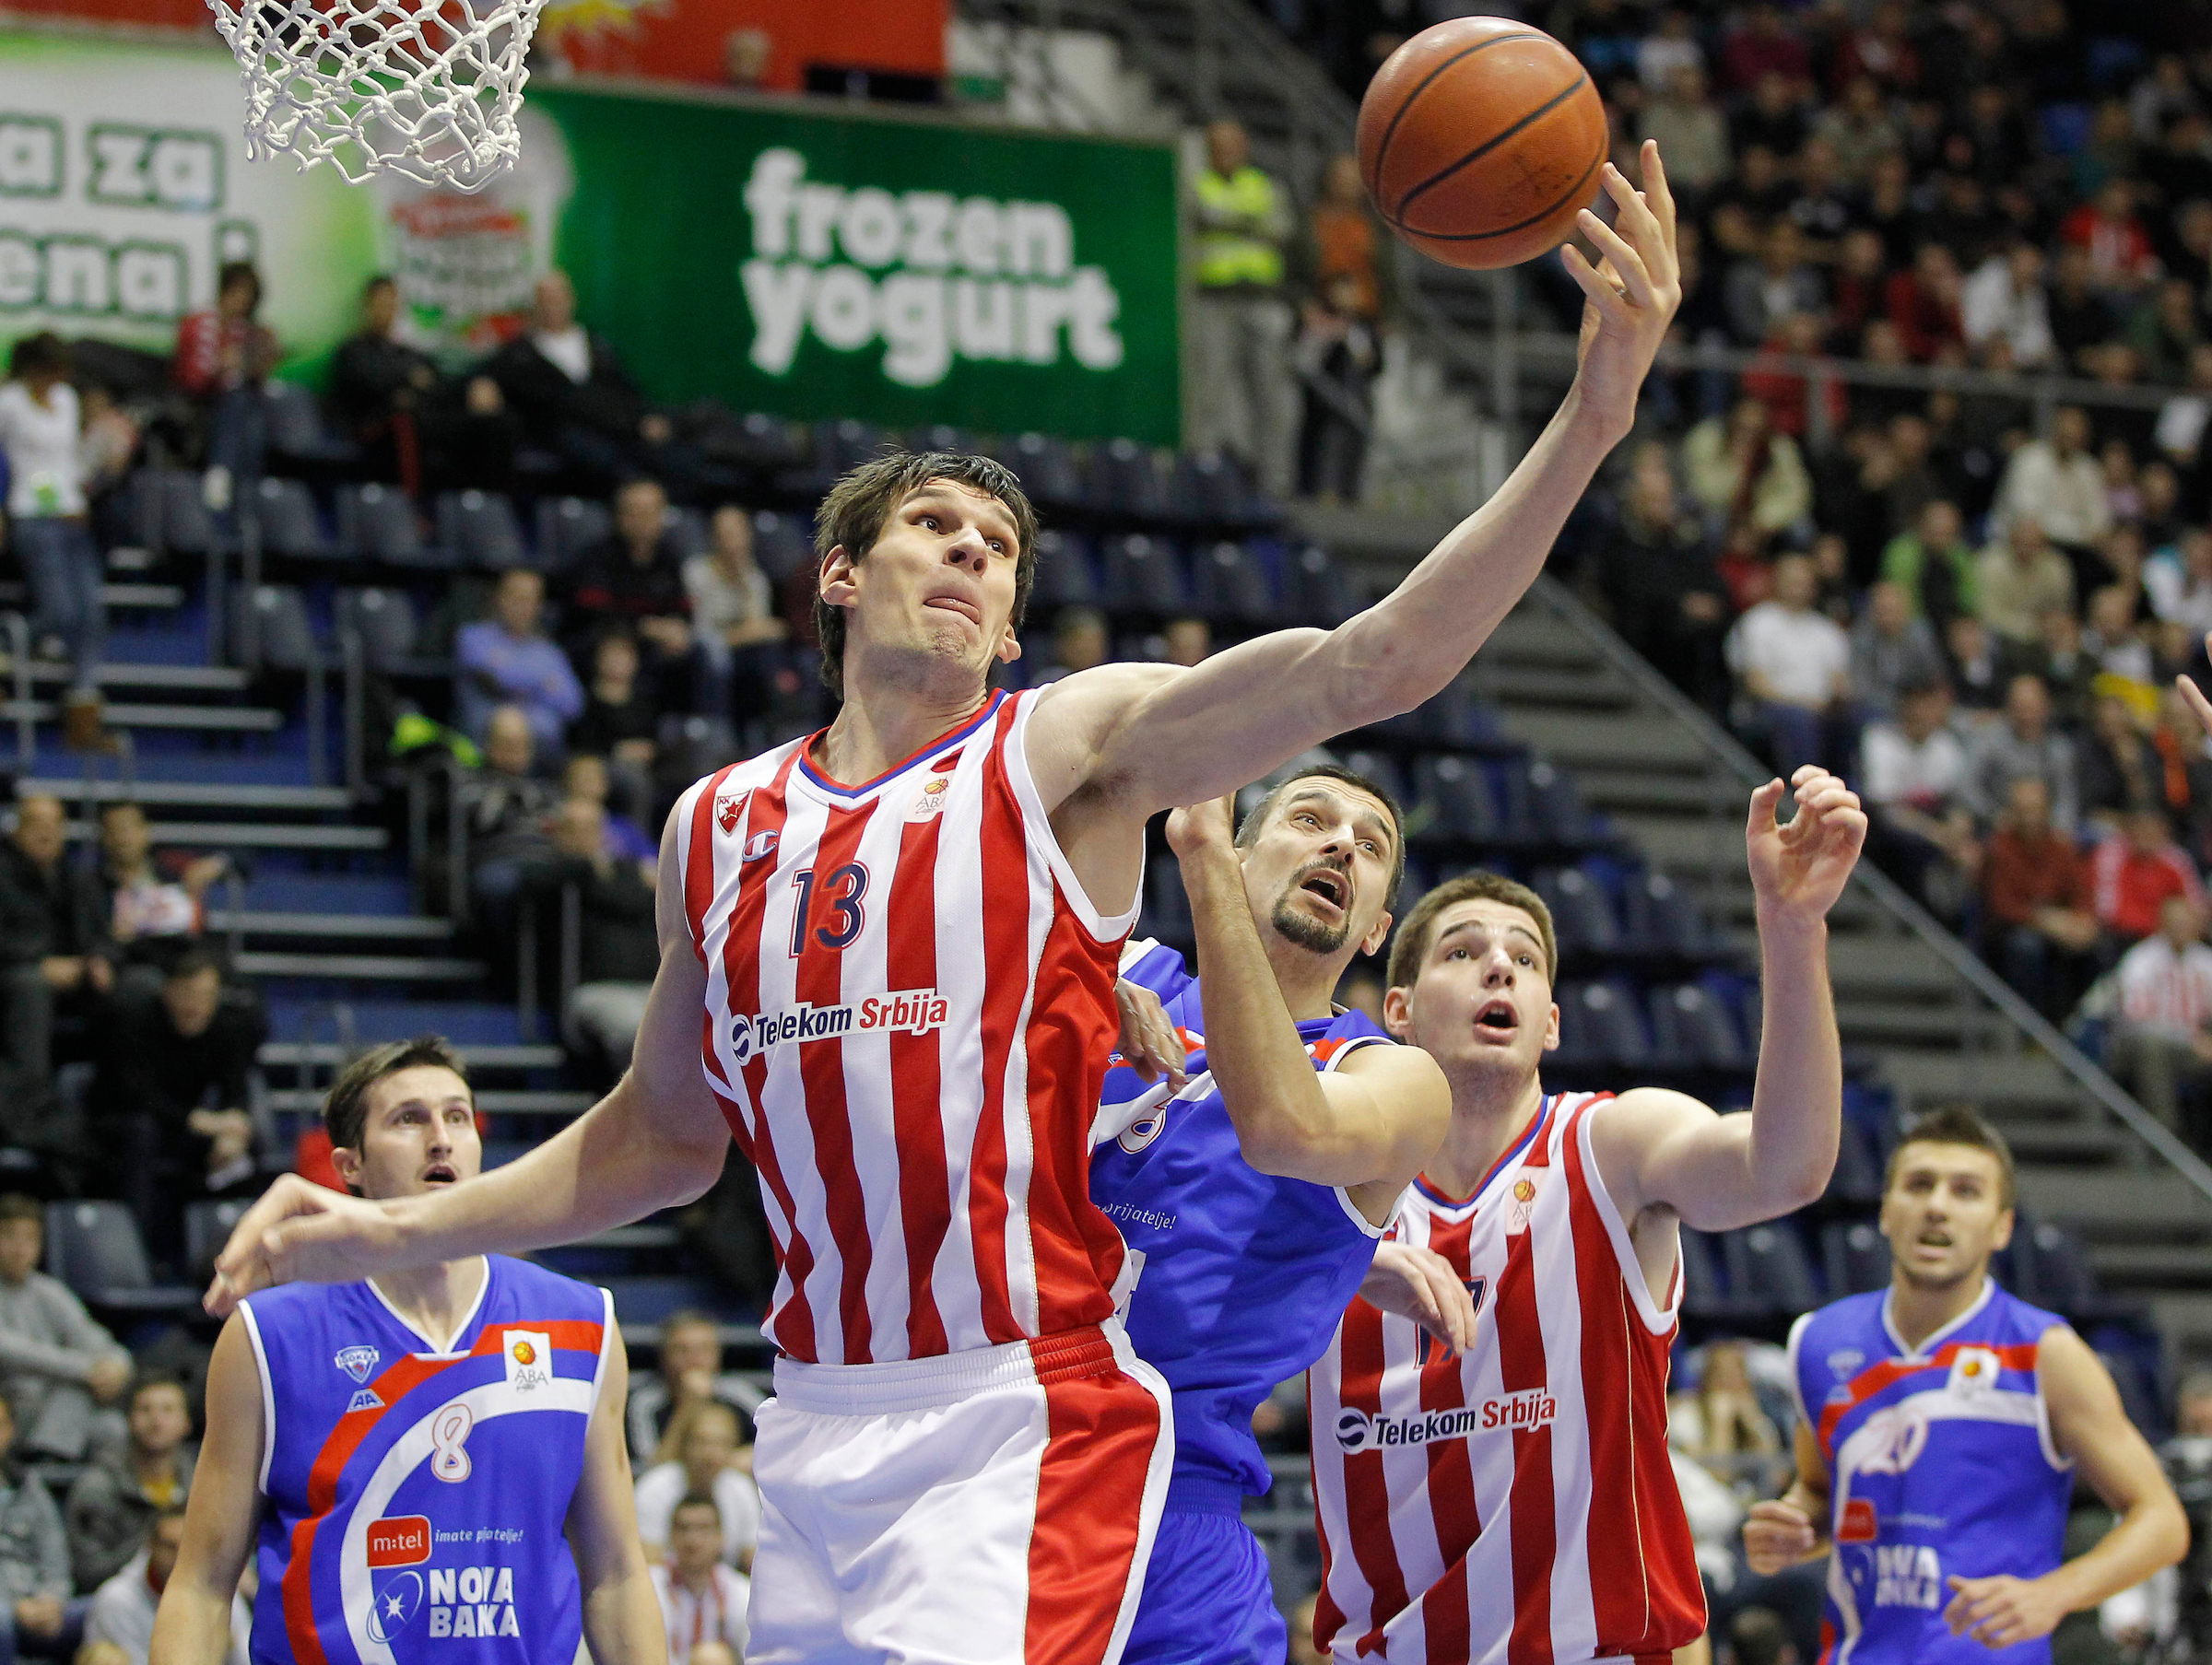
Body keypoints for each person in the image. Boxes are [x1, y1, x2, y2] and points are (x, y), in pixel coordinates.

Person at [208, 144, 1686, 1665]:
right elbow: (652, 1143)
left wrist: (1590, 419)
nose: (973, 553)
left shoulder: (1061, 754)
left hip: (1021, 1410)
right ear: (841, 574)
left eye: (1000, 551)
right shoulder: (717, 827)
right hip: (821, 1412)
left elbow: (1370, 663)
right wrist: (386, 1226)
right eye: (936, 529)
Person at [1307, 765, 1862, 1661]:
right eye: (1463, 951)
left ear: (1551, 1022)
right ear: (1397, 1010)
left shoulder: (1609, 1146)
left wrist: (1794, 931)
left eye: (1524, 959)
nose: (1500, 965)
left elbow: (1788, 1167)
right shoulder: (1331, 1178)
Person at [1090, 768, 1451, 1665]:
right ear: (1249, 855)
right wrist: (1073, 993)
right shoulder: (1120, 971)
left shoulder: (1391, 1076)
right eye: (1312, 819)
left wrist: (1202, 850)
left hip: (1177, 1507)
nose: (1341, 845)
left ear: (1373, 930)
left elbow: (1287, 1129)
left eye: (1371, 847)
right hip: (996, 1451)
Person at [149, 1038, 661, 1665]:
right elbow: (201, 1585)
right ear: (350, 1166)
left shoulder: (583, 1325)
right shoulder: (269, 1334)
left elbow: (617, 1575)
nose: (441, 1138)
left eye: (456, 1116)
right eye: (408, 1119)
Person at [1742, 1108, 2186, 1660]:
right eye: (1919, 1185)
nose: (1937, 1206)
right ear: (1885, 1212)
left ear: (2001, 1227)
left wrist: (2056, 1593)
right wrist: (1793, 1529)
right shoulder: (1819, 1340)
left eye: (1966, 1191)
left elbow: (2163, 1519)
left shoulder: (2045, 1353)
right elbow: (1819, 1490)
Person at [88, 949, 265, 1266]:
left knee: (250, 1147)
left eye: (206, 996)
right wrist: (198, 1120)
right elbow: (133, 1094)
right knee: (141, 1134)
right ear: (168, 991)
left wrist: (235, 1130)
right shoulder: (136, 1020)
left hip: (182, 1127)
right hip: (118, 1122)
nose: (195, 1006)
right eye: (188, 994)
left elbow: (235, 1090)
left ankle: (231, 1255)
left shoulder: (227, 1027)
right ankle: (138, 1256)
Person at [481, 271, 677, 495]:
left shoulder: (598, 344)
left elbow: (626, 386)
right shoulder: (519, 354)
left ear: (571, 299)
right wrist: (482, 385)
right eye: (545, 299)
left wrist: (646, 416)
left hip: (619, 427)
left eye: (558, 297)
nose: (552, 305)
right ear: (534, 305)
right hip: (567, 436)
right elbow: (484, 377)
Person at [0, 334, 104, 731]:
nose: (61, 379)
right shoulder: (9, 402)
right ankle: (6, 650)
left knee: (91, 612)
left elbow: (69, 457)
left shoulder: (66, 400)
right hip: (31, 512)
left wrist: (90, 474)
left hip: (70, 513)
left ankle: (83, 701)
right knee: (58, 611)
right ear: (34, 370)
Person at [1187, 119, 1294, 498]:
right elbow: (1196, 222)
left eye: (1231, 145)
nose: (1225, 153)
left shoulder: (1264, 186)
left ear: (1245, 147)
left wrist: (1224, 222)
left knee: (1271, 392)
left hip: (1262, 300)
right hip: (1214, 299)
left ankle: (1275, 483)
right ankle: (1208, 476)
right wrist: (1248, 224)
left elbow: (1282, 230)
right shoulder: (1196, 185)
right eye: (1217, 145)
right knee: (1210, 388)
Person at [527, 797, 657, 1077]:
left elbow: (642, 890)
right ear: (558, 832)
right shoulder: (549, 874)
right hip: (594, 992)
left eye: (592, 828)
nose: (585, 836)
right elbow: (532, 884)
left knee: (697, 1031)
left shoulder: (626, 870)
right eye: (574, 828)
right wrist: (588, 868)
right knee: (637, 1032)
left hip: (648, 987)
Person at [0, 1197, 129, 1464]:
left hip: (54, 1408)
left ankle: (51, 1457)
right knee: (76, 1389)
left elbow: (97, 1341)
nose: (19, 1248)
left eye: (30, 1239)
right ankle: (46, 1462)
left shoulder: (50, 1292)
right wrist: (88, 1371)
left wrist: (118, 1364)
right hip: (10, 1407)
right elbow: (15, 1351)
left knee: (113, 1427)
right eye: (10, 1236)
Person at [0, 793, 113, 1093]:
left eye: (54, 824)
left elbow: (102, 935)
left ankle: (122, 1098)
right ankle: (30, 1101)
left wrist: (98, 959)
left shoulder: (78, 877)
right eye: (36, 823)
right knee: (30, 986)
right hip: (15, 976)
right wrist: (38, 961)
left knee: (136, 988)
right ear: (17, 830)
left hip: (76, 976)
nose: (46, 833)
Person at [564, 478, 696, 709]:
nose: (646, 520)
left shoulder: (669, 558)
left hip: (655, 646)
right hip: (602, 640)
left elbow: (682, 608)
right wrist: (645, 626)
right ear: (621, 516)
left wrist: (678, 630)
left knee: (697, 653)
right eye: (638, 512)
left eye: (653, 512)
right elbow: (592, 613)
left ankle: (692, 727)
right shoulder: (597, 557)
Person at [1981, 776, 2099, 1022]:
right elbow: (2002, 906)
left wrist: (2083, 921)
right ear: (2012, 813)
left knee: (2096, 946)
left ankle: (2075, 1023)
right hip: (2013, 929)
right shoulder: (1999, 848)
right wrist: (2045, 921)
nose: (2030, 818)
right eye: (2023, 811)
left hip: (2057, 922)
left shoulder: (2060, 847)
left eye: (2036, 810)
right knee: (2027, 947)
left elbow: (2082, 894)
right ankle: (2029, 1024)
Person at [1724, 552, 1853, 774]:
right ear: (1776, 582)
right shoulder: (1757, 622)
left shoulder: (1827, 630)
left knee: (1862, 718)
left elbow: (1838, 683)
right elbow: (1756, 685)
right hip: (1766, 710)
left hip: (1821, 710)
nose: (1799, 588)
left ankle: (1855, 796)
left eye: (1805, 583)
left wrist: (1838, 698)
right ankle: (1803, 795)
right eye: (1793, 582)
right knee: (1797, 719)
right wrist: (1806, 704)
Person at [1860, 677, 1977, 916]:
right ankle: (1913, 915)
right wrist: (1938, 836)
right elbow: (1886, 809)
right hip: (1891, 827)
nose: (1935, 712)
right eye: (1927, 705)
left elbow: (1957, 802)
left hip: (1935, 822)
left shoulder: (1946, 745)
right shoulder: (1880, 739)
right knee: (1909, 843)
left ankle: (1955, 926)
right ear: (1909, 707)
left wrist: (1959, 831)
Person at [65, 1378, 193, 1596]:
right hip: (112, 1597)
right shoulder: (97, 1487)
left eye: (168, 1410)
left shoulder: (201, 1484)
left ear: (186, 1422)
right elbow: (88, 1574)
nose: (156, 1420)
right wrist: (153, 1544)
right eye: (145, 1409)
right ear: (129, 1419)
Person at [171, 262, 278, 510]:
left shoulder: (248, 332)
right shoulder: (199, 324)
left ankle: (248, 494)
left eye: (249, 297)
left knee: (255, 413)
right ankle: (219, 472)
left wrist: (262, 363)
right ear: (225, 291)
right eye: (238, 293)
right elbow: (189, 382)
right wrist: (218, 368)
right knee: (238, 402)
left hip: (239, 410)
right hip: (199, 407)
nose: (243, 302)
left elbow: (253, 377)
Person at [2105, 896, 2212, 1138]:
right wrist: (2192, 1040)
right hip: (2138, 1044)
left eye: (2187, 923)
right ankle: (2164, 1136)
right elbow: (2136, 1020)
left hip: (2197, 1046)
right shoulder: (2141, 959)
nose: (2181, 929)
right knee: (2151, 1047)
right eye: (2175, 923)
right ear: (2161, 924)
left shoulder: (2206, 961)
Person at [84, 1509, 241, 1665]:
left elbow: (246, 1659)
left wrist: (226, 1650)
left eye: (188, 1546)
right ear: (151, 1546)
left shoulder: (222, 1592)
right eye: (170, 1547)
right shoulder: (116, 1600)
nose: (180, 1557)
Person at [90, 803, 223, 986]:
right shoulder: (92, 885)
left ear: (146, 831)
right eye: (115, 830)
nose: (123, 838)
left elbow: (241, 860)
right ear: (103, 837)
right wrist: (114, 940)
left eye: (129, 828)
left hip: (183, 958)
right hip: (130, 968)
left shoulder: (172, 869)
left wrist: (215, 865)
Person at [455, 569, 585, 752]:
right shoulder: (473, 637)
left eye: (529, 599)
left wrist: (512, 676)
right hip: (481, 744)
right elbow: (497, 679)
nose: (521, 606)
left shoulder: (550, 652)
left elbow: (573, 705)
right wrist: (544, 682)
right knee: (509, 724)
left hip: (538, 753)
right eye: (514, 597)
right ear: (499, 598)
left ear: (539, 605)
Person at [684, 505, 788, 726]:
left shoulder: (754, 577)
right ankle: (716, 729)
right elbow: (701, 628)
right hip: (704, 646)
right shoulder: (696, 572)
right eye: (724, 534)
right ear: (713, 538)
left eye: (737, 534)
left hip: (741, 648)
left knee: (769, 653)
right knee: (715, 653)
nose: (732, 542)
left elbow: (758, 624)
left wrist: (742, 585)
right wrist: (748, 632)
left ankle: (764, 729)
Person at [0, 1388, 81, 1665]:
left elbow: (55, 1558)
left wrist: (52, 1600)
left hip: (42, 1609)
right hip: (6, 1612)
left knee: (104, 1608)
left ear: (10, 1430)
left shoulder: (28, 1485)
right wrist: (14, 1606)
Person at [631, 1401, 759, 1570]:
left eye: (720, 1443)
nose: (710, 1453)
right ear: (684, 1445)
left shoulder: (741, 1488)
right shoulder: (653, 1488)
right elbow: (647, 1564)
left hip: (725, 1590)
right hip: (666, 1587)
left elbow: (755, 1563)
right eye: (702, 1441)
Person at [624, 1312, 758, 1469]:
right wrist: (688, 1407)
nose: (694, 1359)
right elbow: (651, 1470)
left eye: (704, 1349)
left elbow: (777, 1443)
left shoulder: (740, 1394)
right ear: (664, 1355)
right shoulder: (645, 1403)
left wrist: (724, 1463)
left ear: (718, 1353)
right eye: (682, 1350)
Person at [1966, 675, 2078, 834]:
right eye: (2020, 708)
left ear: (2046, 708)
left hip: (2044, 829)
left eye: (2032, 708)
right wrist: (1994, 814)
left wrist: (2060, 830)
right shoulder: (1988, 740)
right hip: (1996, 824)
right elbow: (1966, 785)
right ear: (2009, 709)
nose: (2026, 716)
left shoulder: (2059, 749)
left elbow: (2065, 798)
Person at [648, 1495, 747, 1663]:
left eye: (703, 1529)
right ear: (670, 1536)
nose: (692, 1540)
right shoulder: (649, 1587)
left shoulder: (742, 1592)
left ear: (721, 1537)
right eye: (683, 1528)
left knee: (710, 1657)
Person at [2090, 806, 2205, 946]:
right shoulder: (2111, 856)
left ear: (2163, 831)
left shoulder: (2177, 860)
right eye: (2141, 828)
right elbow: (2107, 910)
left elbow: (2195, 907)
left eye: (2151, 829)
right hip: (2125, 937)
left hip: (2170, 938)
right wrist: (2152, 927)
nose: (2146, 834)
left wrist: (2173, 928)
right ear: (2129, 830)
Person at [1974, 520, 2076, 648]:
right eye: (2021, 543)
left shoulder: (2056, 567)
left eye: (2033, 544)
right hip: (2001, 637)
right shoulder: (1990, 564)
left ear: (2044, 545)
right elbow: (1989, 614)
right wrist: (2031, 628)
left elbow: (2062, 609)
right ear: (2011, 540)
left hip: (2047, 637)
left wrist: (2054, 625)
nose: (2026, 549)